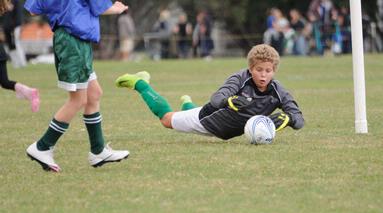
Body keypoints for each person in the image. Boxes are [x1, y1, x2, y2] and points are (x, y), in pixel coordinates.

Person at [115, 44, 304, 141]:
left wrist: (288, 119)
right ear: (250, 68)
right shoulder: (239, 78)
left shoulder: (277, 90)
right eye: (259, 69)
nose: (263, 75)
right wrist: (229, 101)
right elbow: (216, 99)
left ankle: (187, 105)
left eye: (268, 71)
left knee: (186, 111)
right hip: (208, 121)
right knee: (166, 119)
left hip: (227, 132)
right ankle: (140, 83)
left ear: (274, 71)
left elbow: (299, 118)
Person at [24, 0, 130, 172]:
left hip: (68, 38)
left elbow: (34, 10)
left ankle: (98, 151)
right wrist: (117, 8)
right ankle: (42, 147)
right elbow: (100, 6)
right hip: (74, 41)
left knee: (94, 94)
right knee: (78, 100)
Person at [0, 0, 39, 112]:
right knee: (5, 82)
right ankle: (30, 92)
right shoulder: (4, 6)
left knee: (5, 82)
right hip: (1, 52)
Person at [2, 0, 27, 68]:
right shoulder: (4, 2)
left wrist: (15, 26)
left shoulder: (16, 1)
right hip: (6, 27)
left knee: (17, 43)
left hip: (15, 27)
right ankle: (15, 63)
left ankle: (22, 63)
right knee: (10, 45)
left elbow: (19, 15)